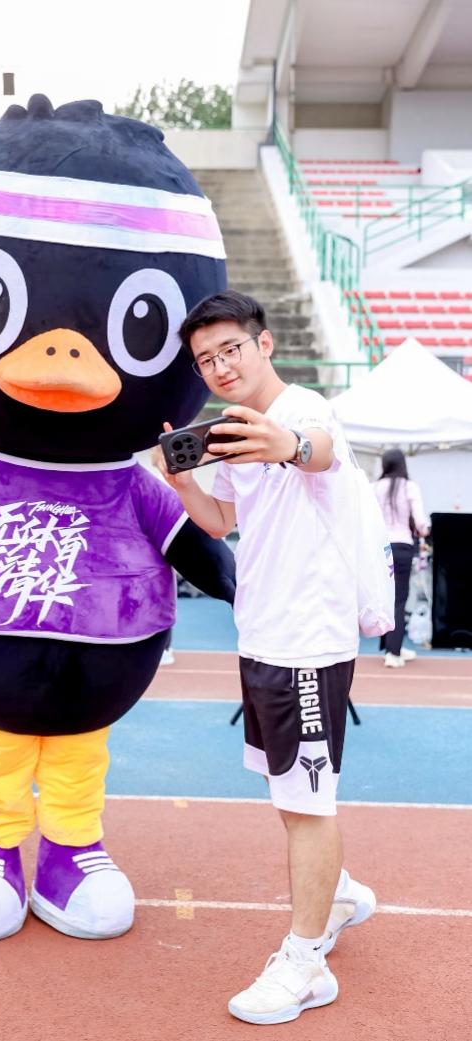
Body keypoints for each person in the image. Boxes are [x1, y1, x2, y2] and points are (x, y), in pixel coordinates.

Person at [155, 290, 375, 1027]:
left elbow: (318, 450)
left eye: (230, 349)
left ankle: (306, 961)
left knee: (308, 801)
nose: (220, 366)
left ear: (264, 344)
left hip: (309, 641)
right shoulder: (229, 431)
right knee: (287, 792)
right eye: (205, 359)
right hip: (262, 636)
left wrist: (285, 445)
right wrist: (184, 483)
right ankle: (336, 894)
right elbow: (223, 521)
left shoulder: (304, 410)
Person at [373, 449, 429, 668]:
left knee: (384, 596)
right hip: (402, 545)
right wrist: (424, 530)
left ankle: (391, 645)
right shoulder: (409, 486)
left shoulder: (375, 487)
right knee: (399, 598)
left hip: (380, 547)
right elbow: (421, 522)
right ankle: (393, 651)